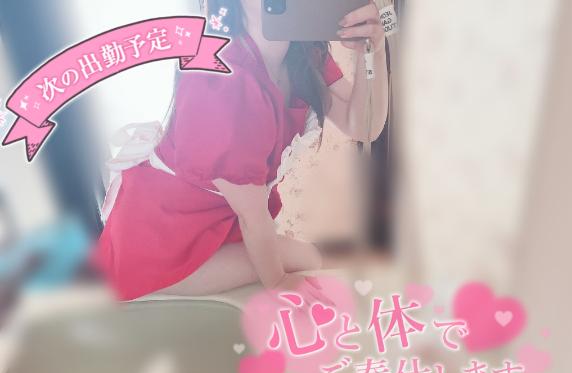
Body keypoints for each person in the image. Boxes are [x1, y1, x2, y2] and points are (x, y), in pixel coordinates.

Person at [95, 0, 388, 303]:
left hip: (219, 219)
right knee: (303, 258)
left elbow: (363, 125)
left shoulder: (302, 53)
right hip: (163, 239)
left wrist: (373, 53)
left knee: (307, 257)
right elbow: (253, 217)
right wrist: (279, 281)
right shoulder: (220, 80)